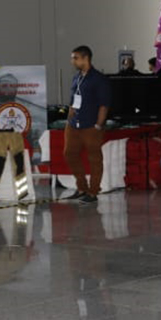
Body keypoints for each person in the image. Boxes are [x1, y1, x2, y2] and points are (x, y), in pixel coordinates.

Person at [65, 45, 111, 203]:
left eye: (75, 58)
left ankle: (93, 192)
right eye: (72, 58)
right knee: (69, 154)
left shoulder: (99, 79)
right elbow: (73, 100)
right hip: (73, 125)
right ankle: (81, 187)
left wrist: (98, 125)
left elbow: (104, 105)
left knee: (94, 160)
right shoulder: (76, 77)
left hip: (91, 126)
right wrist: (68, 118)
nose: (72, 61)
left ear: (86, 58)